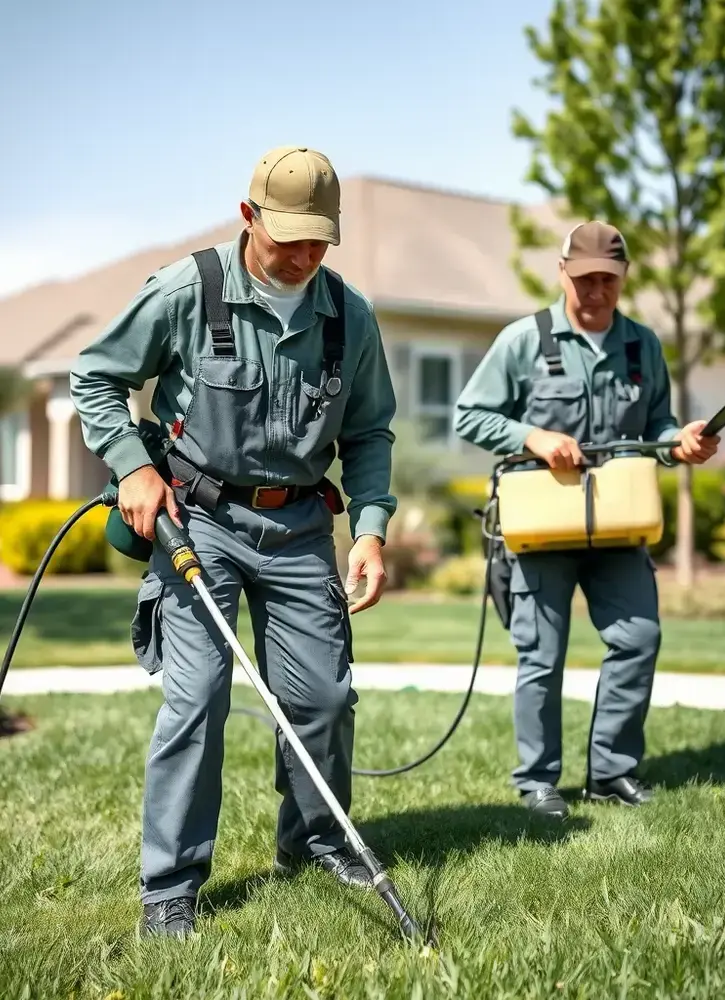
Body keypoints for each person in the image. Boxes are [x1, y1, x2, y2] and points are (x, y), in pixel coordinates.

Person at [70, 146, 397, 937]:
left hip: (298, 529)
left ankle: (315, 842)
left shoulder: (348, 316)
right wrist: (135, 470)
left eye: (321, 240)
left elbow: (369, 432)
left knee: (323, 697)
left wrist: (373, 528)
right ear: (248, 217)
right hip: (199, 520)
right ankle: (170, 887)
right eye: (291, 238)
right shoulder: (188, 290)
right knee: (199, 697)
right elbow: (94, 376)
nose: (306, 255)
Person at [453, 221, 718, 821]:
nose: (596, 290)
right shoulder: (524, 340)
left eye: (608, 279)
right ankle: (538, 783)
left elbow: (657, 427)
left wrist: (682, 442)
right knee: (541, 656)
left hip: (620, 524)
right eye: (585, 278)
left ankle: (612, 772)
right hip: (541, 527)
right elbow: (469, 415)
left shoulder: (642, 345)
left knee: (638, 639)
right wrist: (534, 436)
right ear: (563, 273)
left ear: (623, 279)